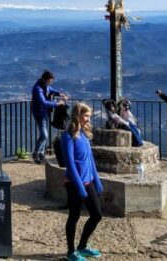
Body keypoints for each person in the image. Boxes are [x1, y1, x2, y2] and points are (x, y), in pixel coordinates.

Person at [61, 102, 103, 261]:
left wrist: (97, 181)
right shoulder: (68, 136)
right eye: (85, 115)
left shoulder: (84, 135)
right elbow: (70, 163)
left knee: (97, 215)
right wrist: (79, 187)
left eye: (89, 116)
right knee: (74, 217)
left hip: (88, 181)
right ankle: (71, 252)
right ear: (77, 115)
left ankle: (82, 246)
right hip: (74, 184)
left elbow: (90, 160)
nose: (88, 119)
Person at [31, 70, 65, 164]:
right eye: (49, 81)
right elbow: (43, 102)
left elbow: (50, 89)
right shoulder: (37, 88)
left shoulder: (44, 86)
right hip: (39, 114)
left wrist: (59, 94)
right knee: (44, 135)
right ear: (44, 79)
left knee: (44, 135)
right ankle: (36, 153)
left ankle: (41, 153)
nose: (50, 83)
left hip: (45, 113)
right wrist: (57, 103)